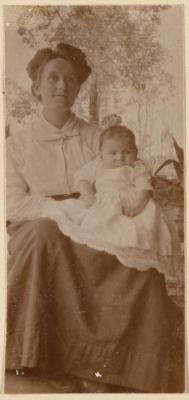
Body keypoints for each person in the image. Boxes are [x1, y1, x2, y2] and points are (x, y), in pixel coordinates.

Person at [6, 43, 179, 393]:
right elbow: (11, 203)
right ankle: (39, 357)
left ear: (79, 88)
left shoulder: (96, 138)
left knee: (133, 247)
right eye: (52, 78)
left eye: (70, 80)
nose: (61, 86)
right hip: (38, 222)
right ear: (36, 87)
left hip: (94, 217)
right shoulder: (17, 144)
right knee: (46, 235)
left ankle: (117, 364)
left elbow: (124, 178)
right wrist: (60, 211)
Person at [43, 124, 174, 278]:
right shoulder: (98, 165)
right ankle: (100, 259)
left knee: (138, 229)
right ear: (102, 153)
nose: (120, 157)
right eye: (113, 153)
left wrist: (137, 206)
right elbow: (82, 179)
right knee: (94, 225)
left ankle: (128, 261)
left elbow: (144, 188)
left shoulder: (137, 167)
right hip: (104, 203)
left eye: (127, 152)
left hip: (131, 205)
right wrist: (88, 195)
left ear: (136, 152)